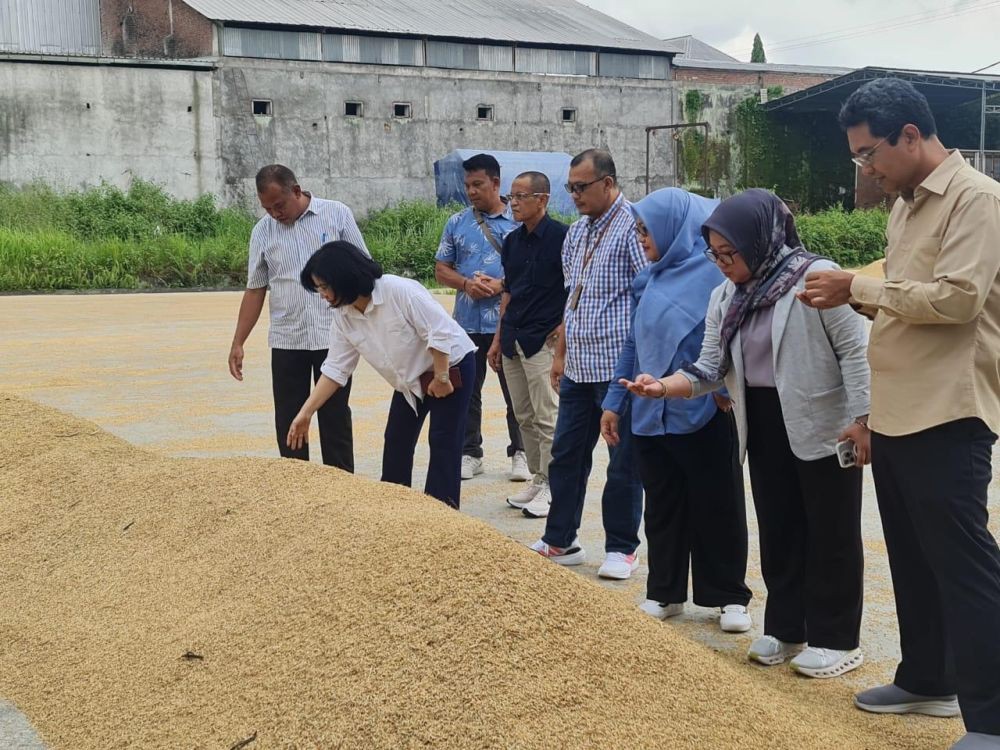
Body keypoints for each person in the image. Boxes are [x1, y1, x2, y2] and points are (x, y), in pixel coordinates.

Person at [802, 78, 1000, 748]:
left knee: (965, 567)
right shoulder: (907, 203)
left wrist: (858, 287)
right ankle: (927, 678)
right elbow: (899, 278)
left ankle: (992, 718)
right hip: (899, 410)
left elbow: (958, 299)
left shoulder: (978, 200)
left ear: (910, 136)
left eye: (869, 155)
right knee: (913, 560)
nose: (867, 169)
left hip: (950, 410)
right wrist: (856, 291)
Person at [625, 189, 870, 678]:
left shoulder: (818, 278)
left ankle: (838, 639)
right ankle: (787, 629)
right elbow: (709, 367)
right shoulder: (728, 295)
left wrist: (864, 420)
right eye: (713, 254)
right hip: (759, 418)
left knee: (830, 529)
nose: (720, 264)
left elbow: (856, 353)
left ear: (760, 240)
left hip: (824, 420)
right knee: (779, 526)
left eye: (728, 254)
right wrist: (663, 388)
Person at [600, 188, 753, 633]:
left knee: (718, 504)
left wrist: (728, 384)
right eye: (639, 230)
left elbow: (735, 340)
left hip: (704, 410)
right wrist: (614, 402)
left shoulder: (717, 277)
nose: (642, 239)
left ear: (673, 228)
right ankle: (664, 592)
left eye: (647, 230)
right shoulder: (647, 279)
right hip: (649, 414)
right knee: (663, 506)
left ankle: (729, 597)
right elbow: (633, 344)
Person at [529, 149, 647, 580]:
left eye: (582, 187)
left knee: (622, 461)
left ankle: (621, 547)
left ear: (609, 183)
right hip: (578, 364)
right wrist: (559, 355)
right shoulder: (577, 233)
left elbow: (646, 296)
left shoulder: (634, 227)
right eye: (570, 188)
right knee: (567, 455)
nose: (575, 195)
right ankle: (560, 538)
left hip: (619, 366)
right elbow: (571, 299)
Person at [286, 242, 477, 509]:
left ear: (345, 277)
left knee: (443, 439)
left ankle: (441, 512)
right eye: (318, 289)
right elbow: (336, 368)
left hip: (449, 365)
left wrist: (442, 377)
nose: (323, 295)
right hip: (409, 381)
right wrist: (306, 413)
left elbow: (440, 330)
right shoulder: (344, 316)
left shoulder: (397, 290)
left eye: (325, 287)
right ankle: (391, 510)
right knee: (396, 439)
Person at [228, 164, 365, 472]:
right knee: (289, 416)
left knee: (334, 414)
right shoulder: (262, 231)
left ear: (297, 191)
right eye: (267, 208)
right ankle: (296, 483)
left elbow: (363, 269)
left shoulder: (337, 215)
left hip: (335, 334)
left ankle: (341, 484)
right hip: (287, 337)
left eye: (279, 205)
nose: (275, 213)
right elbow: (255, 290)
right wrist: (238, 342)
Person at [434, 153, 527, 482]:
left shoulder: (520, 221)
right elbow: (440, 269)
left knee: (515, 391)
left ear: (496, 183)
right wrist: (465, 284)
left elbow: (534, 271)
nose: (471, 191)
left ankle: (521, 452)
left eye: (478, 184)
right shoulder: (457, 223)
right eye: (467, 185)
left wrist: (503, 285)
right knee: (467, 391)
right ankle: (470, 452)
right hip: (466, 323)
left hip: (509, 323)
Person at [487, 172, 569, 517]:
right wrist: (496, 338)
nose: (514, 203)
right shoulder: (512, 241)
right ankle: (538, 477)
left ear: (543, 199)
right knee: (524, 415)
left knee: (547, 415)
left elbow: (575, 290)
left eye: (521, 196)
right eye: (512, 196)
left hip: (543, 340)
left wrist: (563, 331)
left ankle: (555, 485)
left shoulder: (565, 238)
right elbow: (509, 291)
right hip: (512, 337)